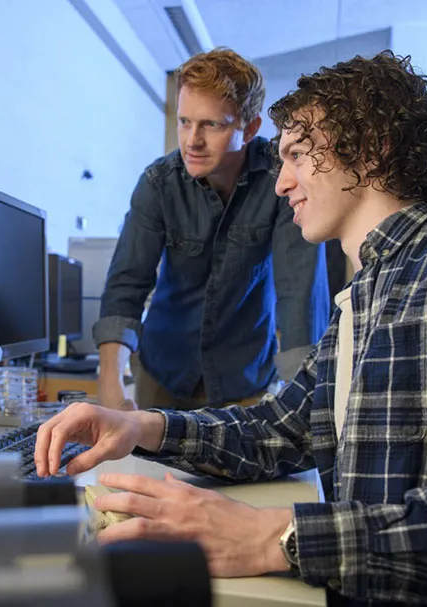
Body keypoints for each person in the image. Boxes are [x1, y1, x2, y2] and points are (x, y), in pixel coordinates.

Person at [36, 51, 427, 605]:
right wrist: (144, 428)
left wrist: (282, 536)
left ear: (372, 152)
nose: (280, 184)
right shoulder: (366, 297)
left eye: (298, 154)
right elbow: (283, 429)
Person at [93, 47, 329, 411]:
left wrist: (306, 398)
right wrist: (110, 381)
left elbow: (300, 295)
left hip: (245, 379)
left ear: (249, 128)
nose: (192, 141)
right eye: (184, 121)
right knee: (148, 469)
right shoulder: (159, 183)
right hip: (164, 374)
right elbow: (127, 283)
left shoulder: (280, 183)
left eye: (211, 125)